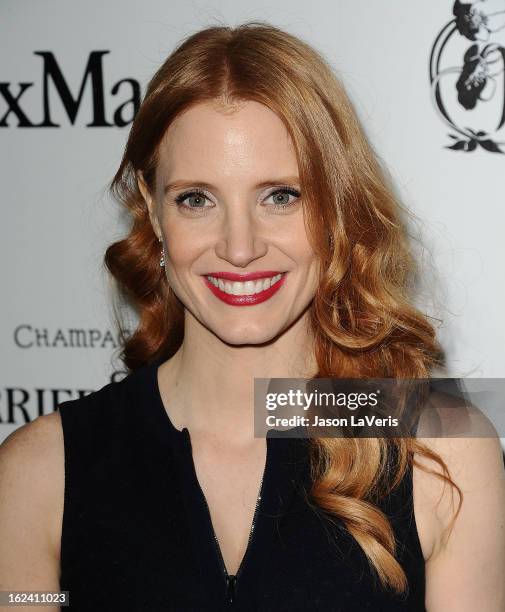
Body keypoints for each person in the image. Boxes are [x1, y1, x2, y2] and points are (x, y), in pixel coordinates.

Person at [1, 21, 504, 612]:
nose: (239, 247)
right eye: (196, 199)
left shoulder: (440, 451)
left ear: (336, 206)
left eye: (281, 196)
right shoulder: (38, 472)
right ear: (155, 212)